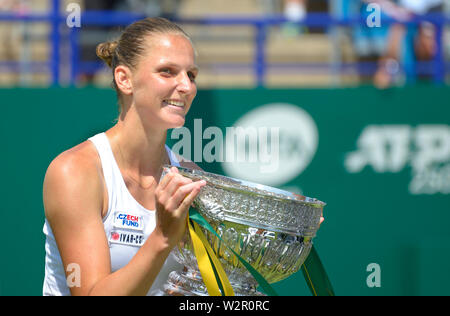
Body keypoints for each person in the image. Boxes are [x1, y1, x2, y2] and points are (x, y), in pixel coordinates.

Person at [42, 17, 206, 296]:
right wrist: (163, 237)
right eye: (167, 71)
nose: (187, 86)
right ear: (124, 79)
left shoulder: (189, 174)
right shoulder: (74, 171)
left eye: (191, 74)